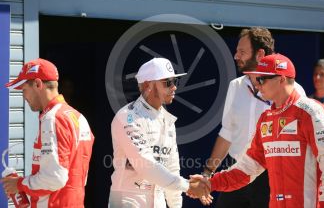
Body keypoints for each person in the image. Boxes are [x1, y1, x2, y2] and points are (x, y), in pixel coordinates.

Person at [191, 54, 324, 207]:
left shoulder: (311, 111)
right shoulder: (267, 118)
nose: (257, 85)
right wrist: (210, 183)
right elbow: (248, 167)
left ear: (281, 79)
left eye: (261, 79)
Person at [202, 27, 305, 208]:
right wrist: (207, 173)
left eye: (242, 52)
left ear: (259, 54)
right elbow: (227, 133)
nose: (236, 56)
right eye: (237, 51)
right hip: (238, 170)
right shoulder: (235, 86)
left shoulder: (291, 90)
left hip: (271, 177)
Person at [108, 58, 210, 208]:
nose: (174, 87)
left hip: (158, 200)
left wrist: (176, 206)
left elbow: (172, 167)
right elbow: (145, 164)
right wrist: (187, 186)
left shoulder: (167, 120)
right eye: (167, 82)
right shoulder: (127, 117)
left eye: (175, 81)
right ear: (148, 85)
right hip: (129, 200)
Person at [1, 58, 95, 207]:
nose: (23, 96)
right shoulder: (78, 117)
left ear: (38, 84)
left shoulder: (52, 119)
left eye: (24, 89)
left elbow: (55, 178)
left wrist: (18, 184)